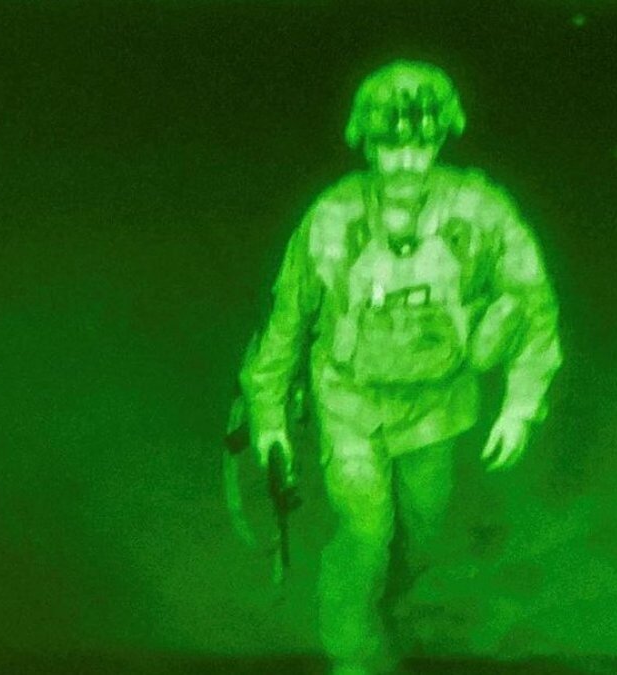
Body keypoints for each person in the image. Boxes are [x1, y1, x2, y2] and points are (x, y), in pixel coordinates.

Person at [236, 59, 563, 675]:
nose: (407, 161)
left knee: (422, 530)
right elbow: (288, 319)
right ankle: (355, 654)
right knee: (365, 532)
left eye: (422, 144)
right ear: (367, 144)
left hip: (438, 406)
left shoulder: (482, 212)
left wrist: (521, 405)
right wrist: (268, 415)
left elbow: (532, 304)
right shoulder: (332, 218)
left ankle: (388, 602)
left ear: (441, 140)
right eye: (391, 145)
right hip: (350, 400)